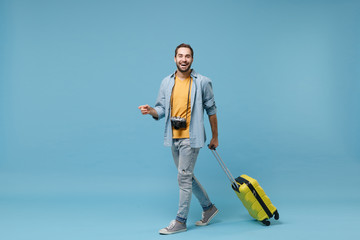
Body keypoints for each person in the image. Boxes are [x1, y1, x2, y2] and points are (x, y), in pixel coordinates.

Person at [138, 43, 219, 235]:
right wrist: (151, 111)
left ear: (192, 59)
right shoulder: (166, 82)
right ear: (175, 59)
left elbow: (212, 111)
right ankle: (209, 208)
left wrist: (215, 136)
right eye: (180, 56)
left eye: (188, 56)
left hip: (192, 137)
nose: (184, 59)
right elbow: (161, 109)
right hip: (173, 136)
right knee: (187, 176)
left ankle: (180, 221)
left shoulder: (202, 82)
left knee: (183, 178)